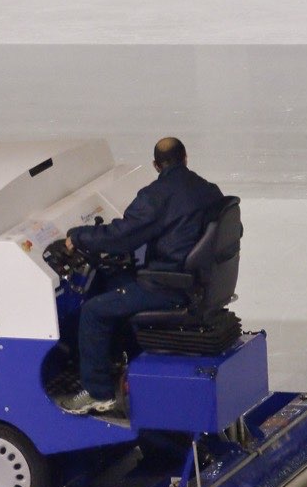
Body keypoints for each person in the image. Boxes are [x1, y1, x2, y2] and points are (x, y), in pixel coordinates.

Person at [60, 137, 224, 414]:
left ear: (156, 165)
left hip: (167, 286)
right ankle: (119, 360)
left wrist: (78, 237)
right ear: (186, 158)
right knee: (115, 282)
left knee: (93, 310)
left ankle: (98, 393)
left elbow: (121, 237)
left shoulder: (156, 196)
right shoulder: (208, 190)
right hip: (197, 281)